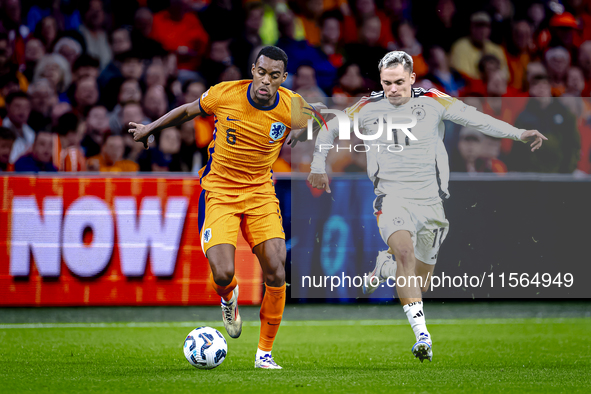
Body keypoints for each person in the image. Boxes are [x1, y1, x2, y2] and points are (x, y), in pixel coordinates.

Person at [307, 51, 546, 362]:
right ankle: (423, 335)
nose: (392, 89)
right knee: (404, 252)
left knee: (420, 281)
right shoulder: (367, 106)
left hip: (431, 201)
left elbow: (476, 118)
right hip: (391, 198)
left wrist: (518, 134)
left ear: (412, 79)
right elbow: (330, 128)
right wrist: (317, 164)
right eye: (386, 83)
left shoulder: (434, 100)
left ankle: (385, 267)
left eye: (398, 83)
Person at [128, 46, 316, 369]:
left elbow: (324, 120)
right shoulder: (225, 94)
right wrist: (150, 128)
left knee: (276, 267)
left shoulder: (292, 106)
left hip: (260, 193)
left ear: (283, 79)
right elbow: (188, 110)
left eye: (274, 76)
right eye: (261, 72)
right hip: (220, 190)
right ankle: (229, 297)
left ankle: (264, 355)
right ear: (253, 69)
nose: (265, 81)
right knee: (224, 272)